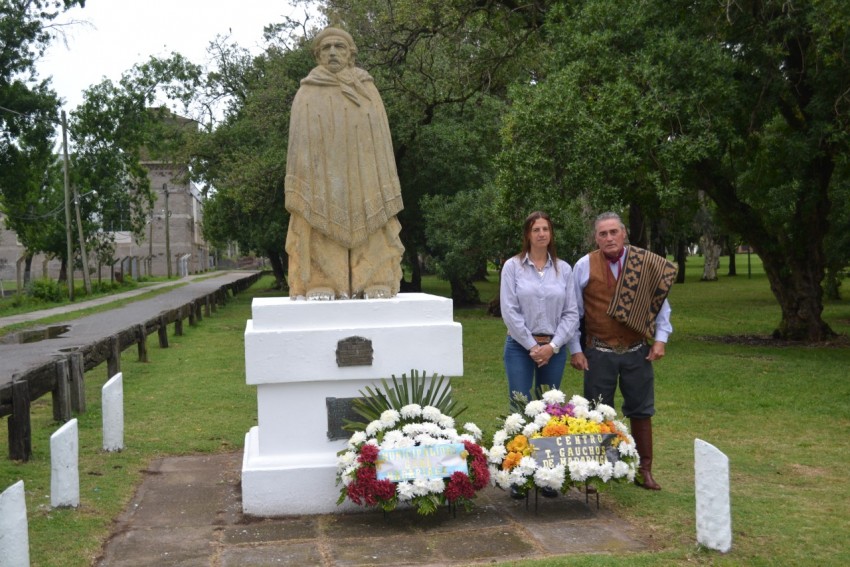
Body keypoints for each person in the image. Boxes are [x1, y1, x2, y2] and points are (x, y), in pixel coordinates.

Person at [284, 27, 404, 300]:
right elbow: (299, 141)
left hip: (365, 170)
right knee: (318, 219)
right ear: (317, 55)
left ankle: (375, 278)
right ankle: (321, 281)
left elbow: (379, 135)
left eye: (339, 47)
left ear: (351, 54)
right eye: (326, 48)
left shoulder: (367, 88)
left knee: (372, 220)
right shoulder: (307, 91)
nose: (333, 52)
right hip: (322, 172)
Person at [567, 212, 677, 490]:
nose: (609, 238)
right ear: (596, 238)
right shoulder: (583, 265)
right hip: (598, 352)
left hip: (637, 351)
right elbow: (573, 312)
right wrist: (576, 350)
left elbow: (661, 305)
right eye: (603, 234)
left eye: (613, 232)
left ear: (624, 233)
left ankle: (644, 470)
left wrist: (661, 339)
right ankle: (601, 468)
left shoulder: (645, 263)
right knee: (598, 412)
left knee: (641, 411)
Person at [500, 211, 580, 407]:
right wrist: (533, 347)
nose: (541, 234)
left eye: (545, 229)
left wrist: (551, 348)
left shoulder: (564, 269)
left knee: (550, 407)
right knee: (520, 406)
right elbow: (510, 311)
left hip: (554, 347)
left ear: (551, 233)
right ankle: (519, 439)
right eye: (536, 230)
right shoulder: (512, 267)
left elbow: (571, 313)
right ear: (528, 234)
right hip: (519, 346)